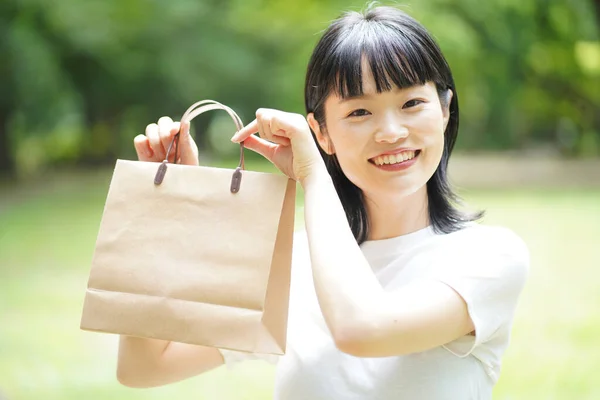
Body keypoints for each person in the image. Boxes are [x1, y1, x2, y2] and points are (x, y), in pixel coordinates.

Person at [122, 4, 529, 399]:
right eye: (359, 112)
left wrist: (312, 174)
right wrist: (165, 206)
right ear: (321, 133)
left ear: (444, 109)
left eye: (411, 103)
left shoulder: (489, 256)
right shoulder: (292, 264)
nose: (390, 132)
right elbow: (145, 367)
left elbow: (363, 329)